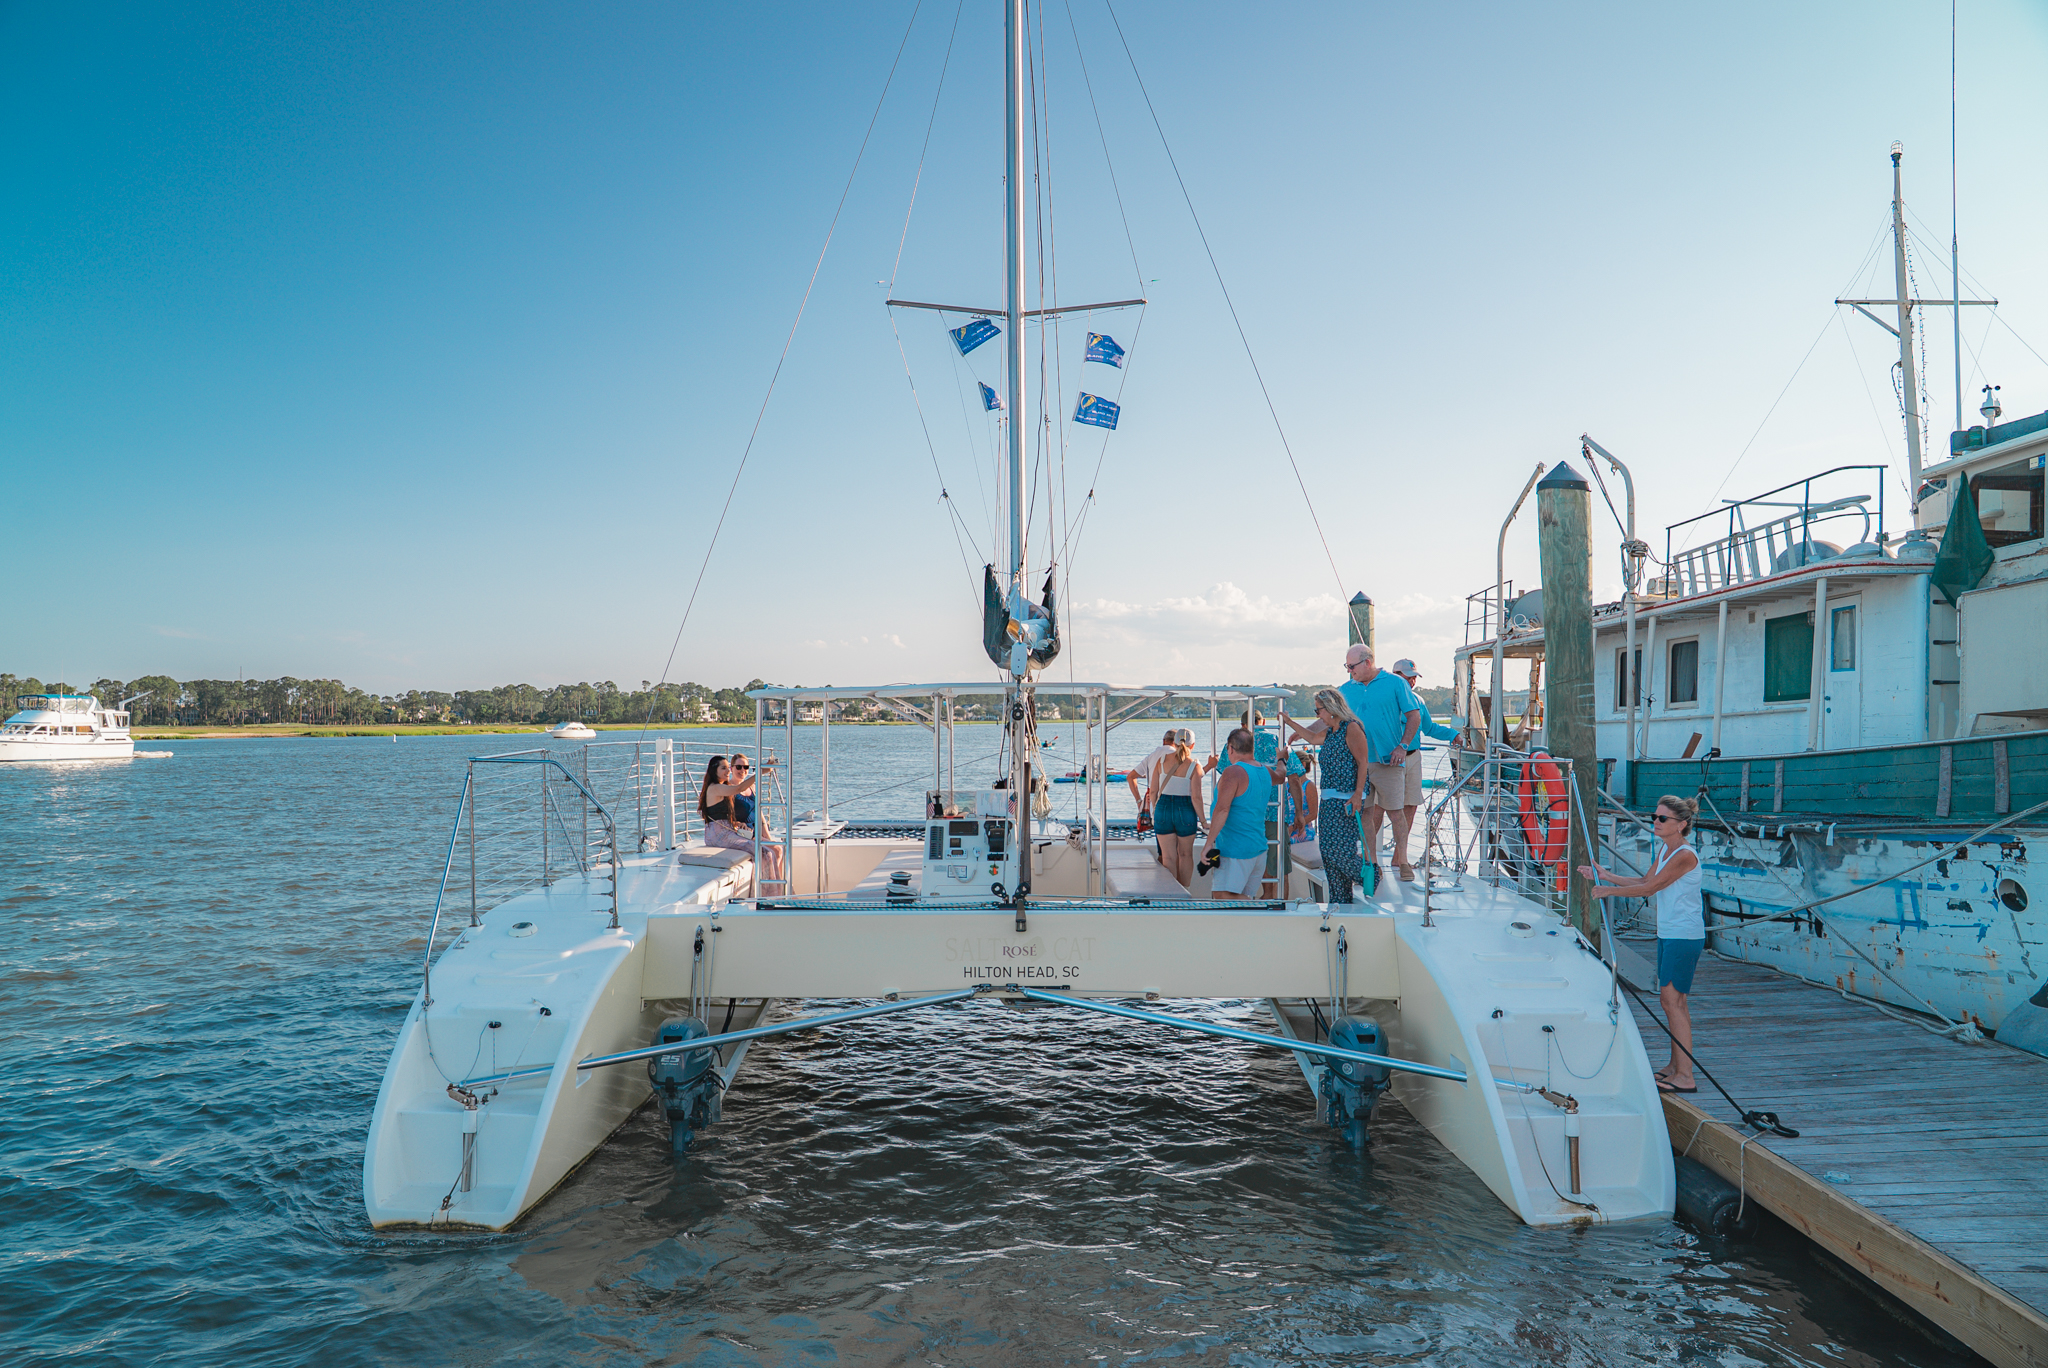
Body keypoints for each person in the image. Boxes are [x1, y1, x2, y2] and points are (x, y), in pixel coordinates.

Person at [1578, 794, 1704, 1094]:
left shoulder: (1686, 855)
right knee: (1673, 1002)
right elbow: (1644, 881)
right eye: (1655, 817)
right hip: (1669, 934)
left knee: (1672, 1002)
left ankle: (1685, 1076)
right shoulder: (1665, 851)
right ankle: (1675, 1067)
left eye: (1663, 819)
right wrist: (1608, 875)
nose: (1656, 823)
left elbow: (1651, 888)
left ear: (1682, 824)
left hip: (1684, 936)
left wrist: (1607, 890)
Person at [1335, 645, 1423, 883]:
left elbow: (1414, 716)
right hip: (1358, 764)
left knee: (1396, 812)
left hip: (1388, 761)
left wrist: (1403, 746)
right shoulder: (1344, 690)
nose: (1349, 671)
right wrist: (1296, 730)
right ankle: (1371, 862)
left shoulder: (1395, 684)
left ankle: (1402, 861)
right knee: (1366, 815)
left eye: (1351, 666)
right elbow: (1327, 720)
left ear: (1367, 662)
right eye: (1347, 666)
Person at [1283, 688, 1372, 901]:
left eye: (1319, 710)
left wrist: (1358, 794)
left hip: (1346, 800)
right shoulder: (1332, 731)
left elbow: (1363, 762)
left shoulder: (1351, 728)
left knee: (1340, 852)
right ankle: (1339, 899)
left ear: (1331, 709)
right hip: (1328, 800)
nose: (1317, 715)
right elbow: (1312, 737)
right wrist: (1289, 722)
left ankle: (1371, 875)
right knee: (1328, 853)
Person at [1389, 658, 1461, 863]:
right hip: (1389, 761)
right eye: (1407, 677)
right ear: (1396, 676)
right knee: (1380, 806)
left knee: (1411, 805)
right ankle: (1371, 857)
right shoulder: (1385, 700)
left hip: (1413, 757)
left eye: (1414, 678)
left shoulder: (1418, 701)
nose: (1412, 682)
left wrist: (1452, 734)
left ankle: (1398, 855)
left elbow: (1429, 728)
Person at [1204, 727, 1287, 900]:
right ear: (1252, 748)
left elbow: (1222, 809)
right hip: (1257, 849)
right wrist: (1281, 759)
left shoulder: (1233, 772)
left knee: (1221, 897)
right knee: (1239, 901)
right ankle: (1258, 912)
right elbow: (1281, 776)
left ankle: (1262, 911)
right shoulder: (1264, 770)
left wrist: (1208, 843)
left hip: (1235, 851)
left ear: (1231, 749)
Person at [1145, 728, 1207, 890]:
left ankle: (1171, 893)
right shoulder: (1195, 766)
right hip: (1185, 809)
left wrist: (1154, 812)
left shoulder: (1161, 761)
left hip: (1162, 809)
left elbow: (1153, 791)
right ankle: (1184, 891)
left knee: (1168, 857)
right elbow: (1196, 797)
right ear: (1192, 745)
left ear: (1174, 742)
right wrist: (1203, 821)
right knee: (1185, 855)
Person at [723, 754, 785, 886]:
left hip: (755, 832)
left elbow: (759, 813)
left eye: (745, 767)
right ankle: (774, 888)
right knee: (776, 851)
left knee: (779, 849)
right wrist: (737, 824)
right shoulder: (729, 788)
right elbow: (725, 817)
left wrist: (767, 836)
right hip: (742, 834)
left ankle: (779, 887)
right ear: (731, 768)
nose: (742, 770)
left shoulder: (751, 787)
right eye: (738, 767)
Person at [1128, 727, 1178, 863]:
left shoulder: (1151, 756)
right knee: (1178, 852)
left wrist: (1139, 801)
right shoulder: (1179, 755)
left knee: (1162, 850)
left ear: (1164, 741)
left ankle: (1163, 881)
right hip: (1177, 805)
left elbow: (1131, 777)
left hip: (1156, 807)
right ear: (1177, 742)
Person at [1286, 748, 1321, 870]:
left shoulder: (1309, 786)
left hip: (1301, 831)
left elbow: (1313, 814)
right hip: (1287, 829)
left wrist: (1293, 827)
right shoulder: (1286, 785)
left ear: (1302, 765)